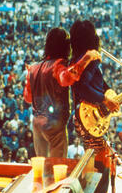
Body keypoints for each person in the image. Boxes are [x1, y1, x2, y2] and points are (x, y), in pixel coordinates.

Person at [69, 20, 122, 193]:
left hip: (85, 118)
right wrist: (103, 99)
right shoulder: (89, 59)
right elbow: (83, 90)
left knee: (98, 162)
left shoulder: (78, 60)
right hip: (87, 118)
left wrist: (117, 98)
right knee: (101, 166)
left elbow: (101, 86)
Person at [23, 27, 101, 158]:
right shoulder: (58, 65)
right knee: (56, 167)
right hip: (54, 124)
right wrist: (87, 58)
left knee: (42, 164)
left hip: (37, 123)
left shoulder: (33, 68)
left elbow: (28, 98)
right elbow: (67, 78)